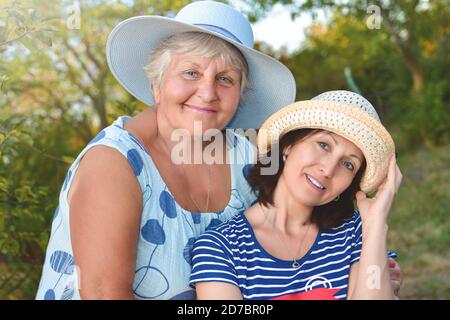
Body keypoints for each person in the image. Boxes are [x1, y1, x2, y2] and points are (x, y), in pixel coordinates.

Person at [35, 1, 296, 300]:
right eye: (191, 73)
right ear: (157, 84)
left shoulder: (246, 160)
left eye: (225, 79)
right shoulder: (114, 162)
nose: (208, 93)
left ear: (240, 95)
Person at [190, 90, 403, 300]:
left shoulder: (357, 231)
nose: (328, 170)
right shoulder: (219, 249)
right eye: (323, 145)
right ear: (289, 145)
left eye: (348, 164)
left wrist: (375, 224)